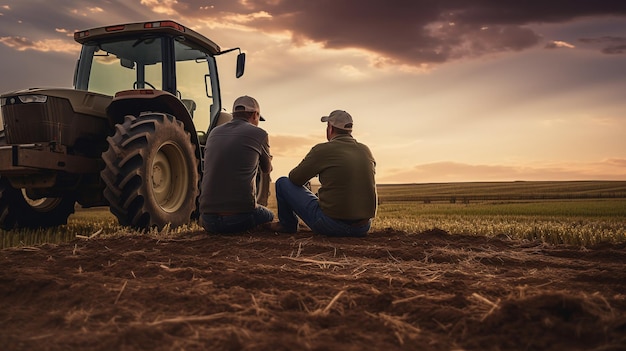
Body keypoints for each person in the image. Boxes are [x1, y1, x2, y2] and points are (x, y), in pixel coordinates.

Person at [271, 110, 377, 237]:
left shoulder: (322, 150)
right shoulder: (365, 150)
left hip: (332, 226)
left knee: (283, 182)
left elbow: (295, 178)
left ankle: (287, 225)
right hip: (363, 227)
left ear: (330, 128)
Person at [199, 95, 274, 234]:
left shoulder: (214, 132)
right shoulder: (259, 133)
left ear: (233, 114)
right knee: (269, 216)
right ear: (255, 115)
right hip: (238, 220)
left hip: (207, 220)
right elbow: (267, 169)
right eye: (258, 118)